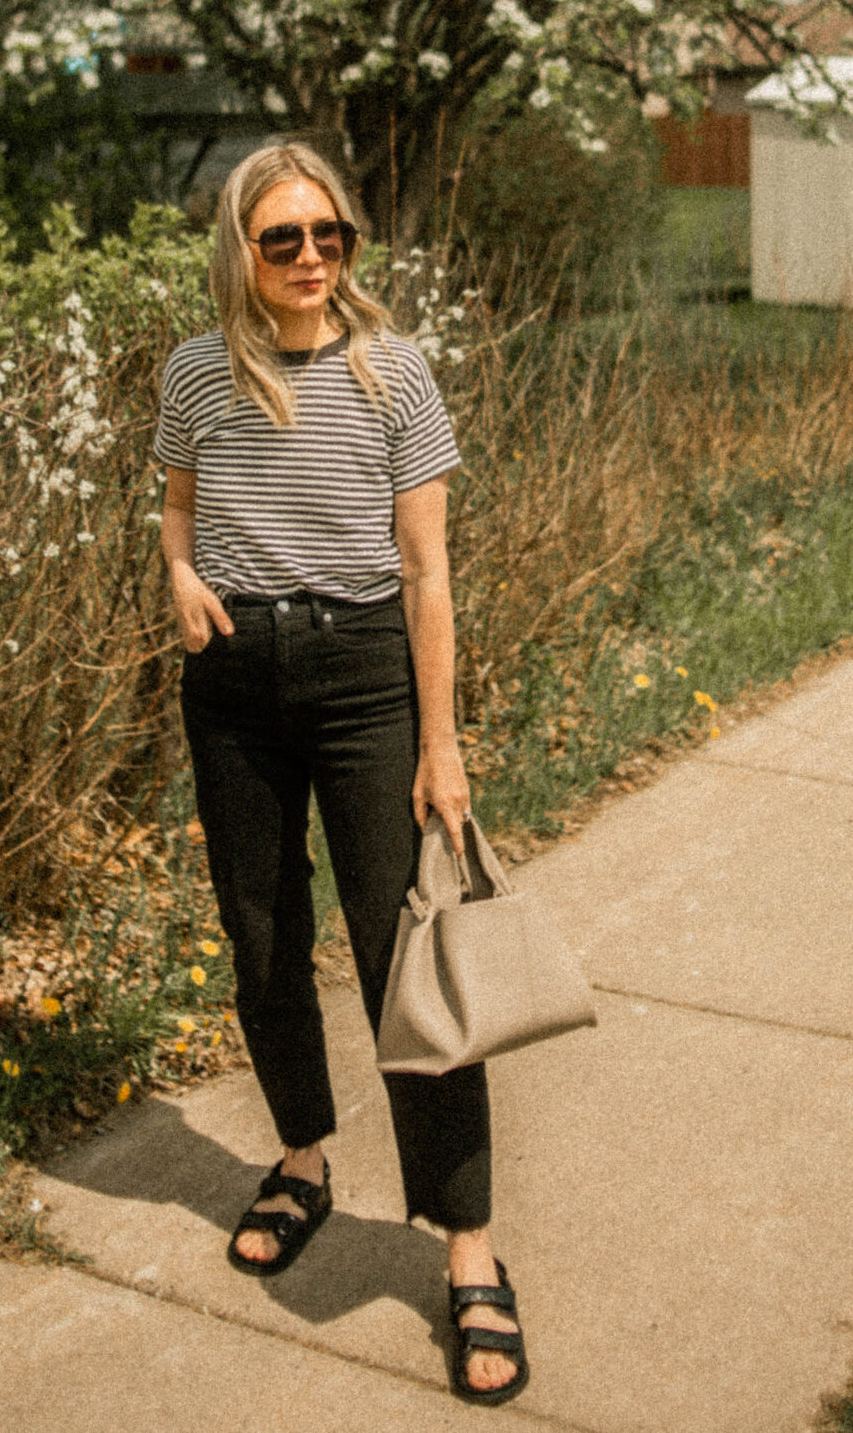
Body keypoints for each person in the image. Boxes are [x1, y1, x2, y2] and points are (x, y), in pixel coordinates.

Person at [153, 141, 528, 1406]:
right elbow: (177, 505)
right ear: (239, 252)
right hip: (234, 682)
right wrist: (177, 569)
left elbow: (428, 574)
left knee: (401, 959)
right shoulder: (197, 370)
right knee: (260, 938)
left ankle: (467, 1244)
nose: (312, 258)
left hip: (369, 677)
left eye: (331, 236)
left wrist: (442, 743)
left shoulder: (394, 373)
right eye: (283, 240)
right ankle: (303, 1158)